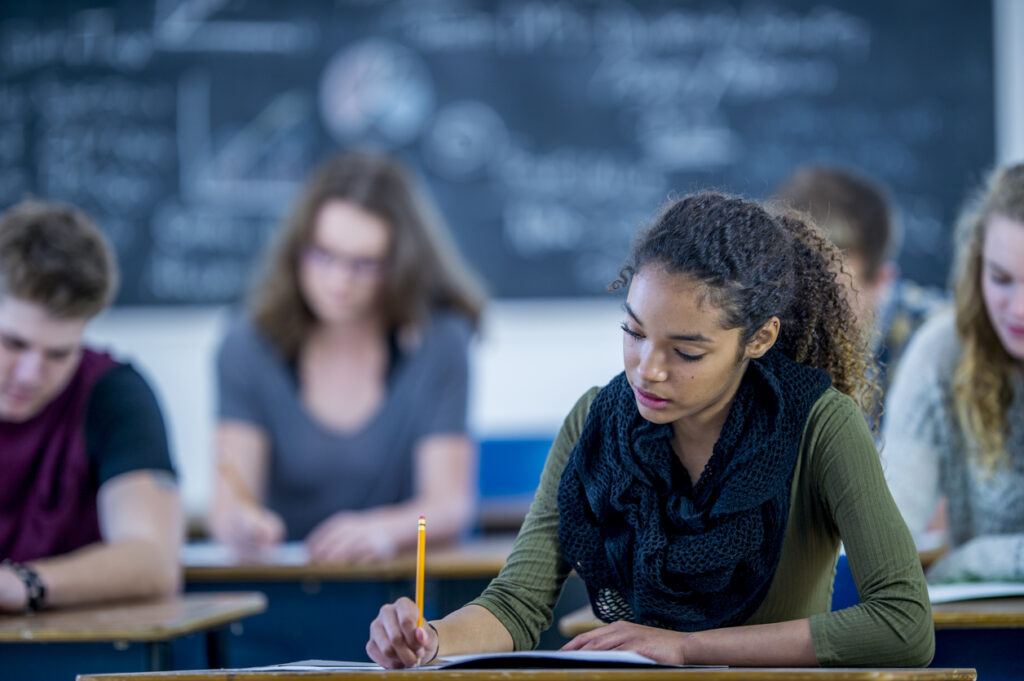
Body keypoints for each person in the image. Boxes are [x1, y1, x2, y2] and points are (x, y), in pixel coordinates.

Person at [367, 193, 934, 667]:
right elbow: (518, 603)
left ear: (758, 340)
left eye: (687, 351)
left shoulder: (818, 422)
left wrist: (689, 649)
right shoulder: (594, 421)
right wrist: (431, 639)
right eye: (634, 333)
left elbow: (904, 625)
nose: (648, 369)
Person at [207, 150, 485, 564]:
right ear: (297, 248)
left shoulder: (440, 341)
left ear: (399, 265)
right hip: (280, 588)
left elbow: (449, 504)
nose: (339, 281)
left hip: (399, 589)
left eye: (364, 265)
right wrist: (240, 525)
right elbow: (229, 504)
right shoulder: (246, 343)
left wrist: (382, 531)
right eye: (323, 255)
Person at [0, 200, 182, 613]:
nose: (30, 374)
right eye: (13, 343)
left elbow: (153, 561)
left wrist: (21, 584)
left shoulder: (114, 394)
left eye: (59, 354)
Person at [883, 163, 1024, 583]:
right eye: (1000, 279)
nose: (1017, 310)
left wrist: (968, 563)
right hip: (986, 633)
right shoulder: (941, 352)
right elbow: (887, 536)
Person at [777, 165, 946, 398]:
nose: (799, 308)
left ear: (882, 279)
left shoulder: (942, 342)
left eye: (826, 294)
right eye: (788, 284)